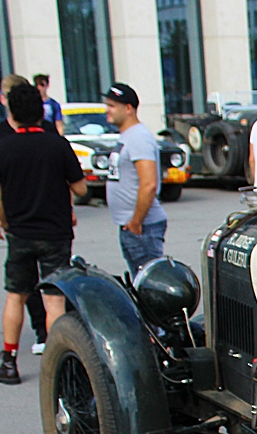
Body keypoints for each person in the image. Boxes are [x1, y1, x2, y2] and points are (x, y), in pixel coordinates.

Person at [0, 83, 87, 384]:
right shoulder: (57, 144)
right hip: (55, 231)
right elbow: (81, 187)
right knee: (54, 300)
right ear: (41, 111)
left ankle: (9, 360)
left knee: (15, 295)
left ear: (12, 112)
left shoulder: (4, 146)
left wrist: (4, 221)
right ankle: (59, 363)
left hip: (19, 232)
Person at [103, 82, 168, 275]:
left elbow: (148, 184)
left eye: (112, 106)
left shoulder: (138, 137)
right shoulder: (127, 136)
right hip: (132, 225)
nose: (107, 110)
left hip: (143, 228)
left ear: (129, 108)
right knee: (140, 284)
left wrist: (136, 222)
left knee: (150, 285)